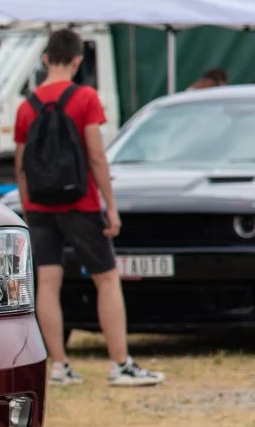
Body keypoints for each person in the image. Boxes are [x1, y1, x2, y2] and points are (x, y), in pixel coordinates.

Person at [14, 27, 164, 387]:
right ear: (79, 60)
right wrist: (109, 206)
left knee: (47, 282)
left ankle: (59, 366)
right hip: (79, 202)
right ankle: (119, 363)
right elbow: (96, 155)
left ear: (45, 58)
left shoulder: (25, 107)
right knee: (107, 278)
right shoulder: (85, 98)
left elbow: (21, 166)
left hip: (38, 207)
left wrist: (28, 207)